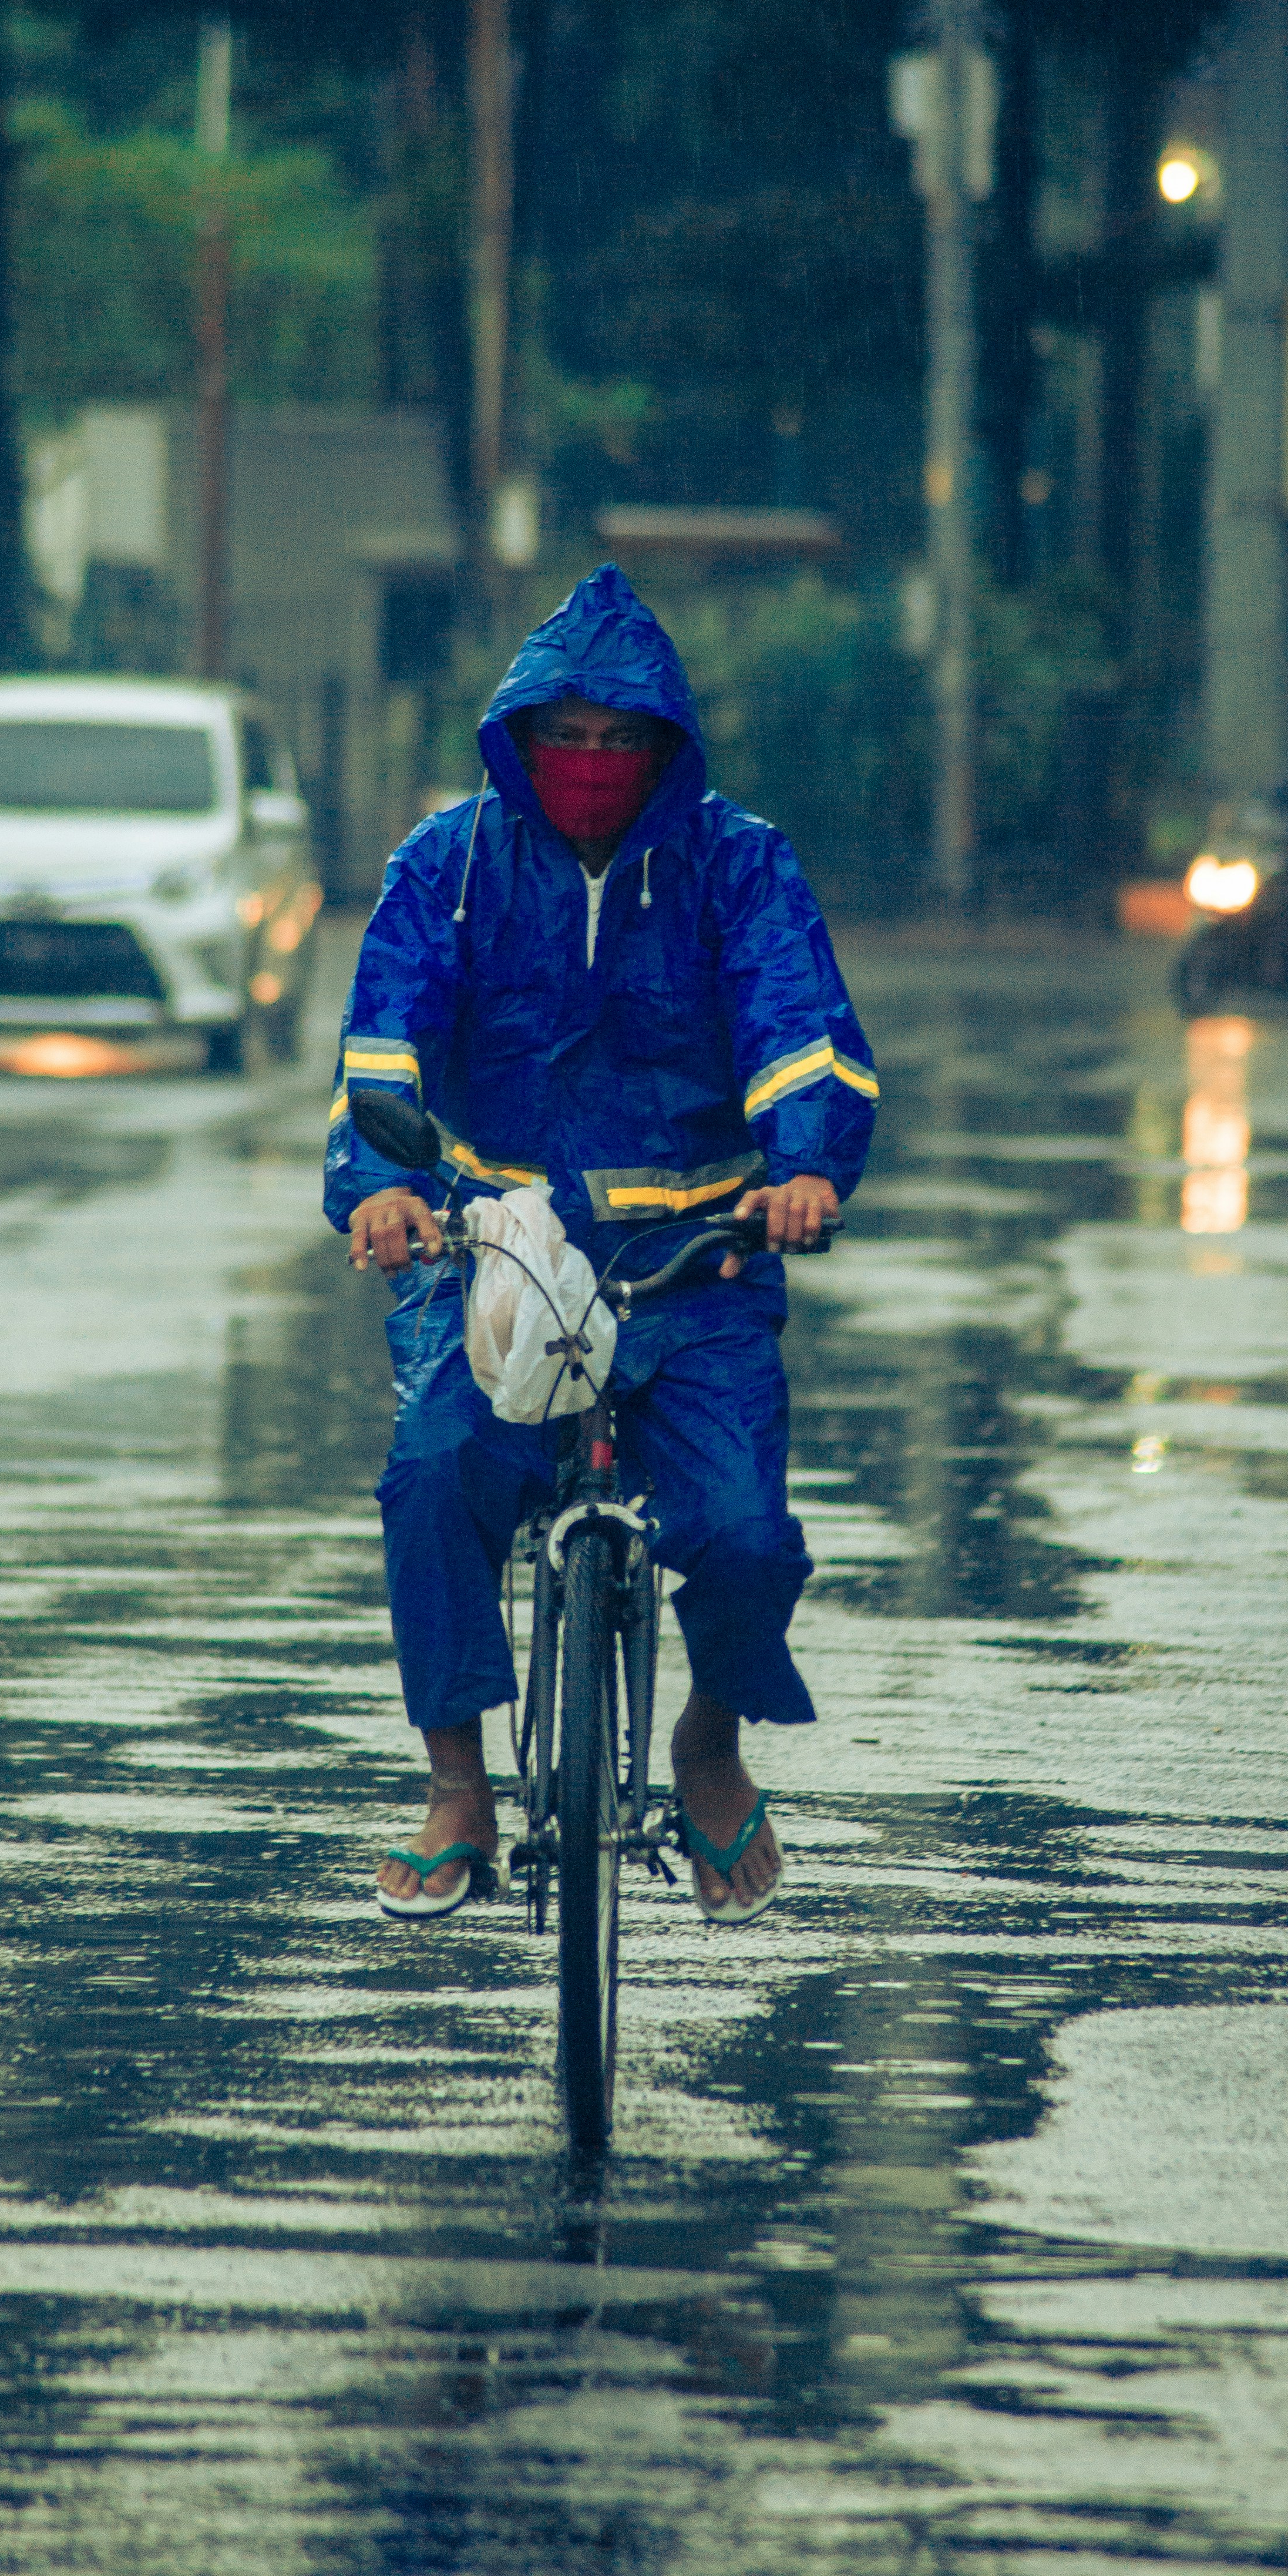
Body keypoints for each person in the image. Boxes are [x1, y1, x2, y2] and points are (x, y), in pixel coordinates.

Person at [324, 563, 877, 1929]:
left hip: (696, 1256)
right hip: (494, 1248)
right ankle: (458, 1785)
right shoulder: (444, 866)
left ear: (664, 746)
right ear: (518, 742)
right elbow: (381, 1046)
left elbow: (797, 1028)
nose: (587, 763)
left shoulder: (740, 864)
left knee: (745, 1532)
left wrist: (803, 1168)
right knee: (437, 1472)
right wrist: (379, 1192)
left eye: (616, 739)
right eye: (561, 737)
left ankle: (707, 1745)